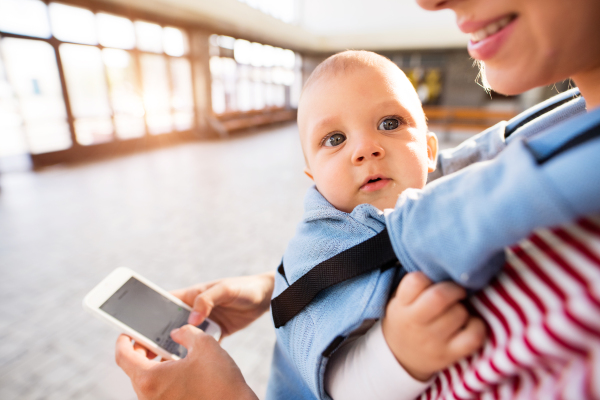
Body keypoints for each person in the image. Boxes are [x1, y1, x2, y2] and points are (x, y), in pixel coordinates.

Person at [115, 0, 600, 398]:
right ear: (311, 178)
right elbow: (356, 249)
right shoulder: (551, 132)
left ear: (432, 153)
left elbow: (349, 383)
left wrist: (396, 355)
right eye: (333, 140)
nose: (366, 149)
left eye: (391, 124)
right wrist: (290, 285)